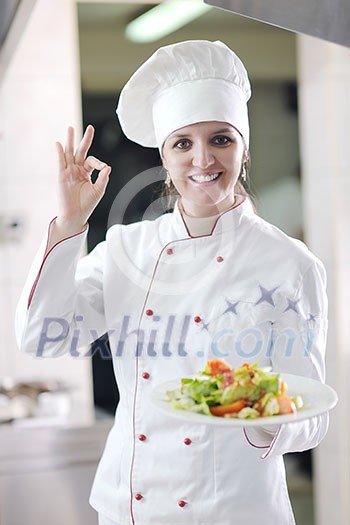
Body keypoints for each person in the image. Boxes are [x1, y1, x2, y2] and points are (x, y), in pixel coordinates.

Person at [15, 40, 328, 525]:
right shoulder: (125, 250)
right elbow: (41, 335)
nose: (203, 159)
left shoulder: (290, 264)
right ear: (165, 157)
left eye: (221, 139)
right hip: (129, 510)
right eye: (183, 143)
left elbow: (312, 416)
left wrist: (256, 413)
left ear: (244, 148)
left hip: (235, 513)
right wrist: (68, 225)